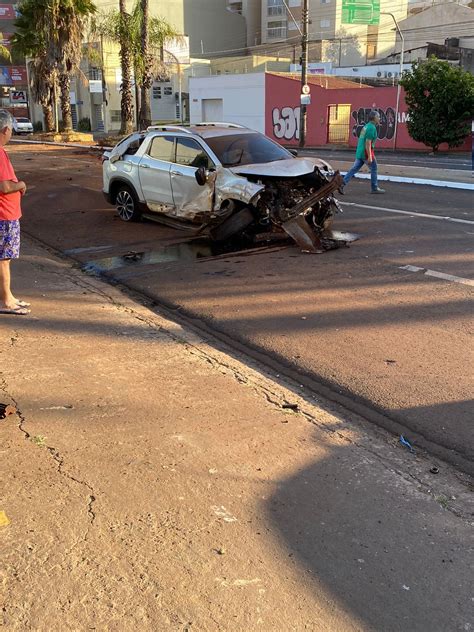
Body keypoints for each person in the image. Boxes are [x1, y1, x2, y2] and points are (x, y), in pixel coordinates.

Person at [0, 110, 29, 316]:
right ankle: (6, 301)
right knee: (4, 258)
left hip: (7, 213)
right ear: (5, 129)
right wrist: (21, 184)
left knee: (4, 258)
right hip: (4, 215)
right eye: (11, 129)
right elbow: (4, 186)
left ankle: (7, 295)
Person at [342, 110, 385, 194]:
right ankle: (374, 187)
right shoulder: (371, 128)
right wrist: (369, 156)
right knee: (374, 168)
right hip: (365, 152)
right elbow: (368, 143)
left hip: (360, 151)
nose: (379, 118)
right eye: (378, 117)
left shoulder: (366, 126)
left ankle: (342, 184)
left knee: (354, 169)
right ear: (374, 118)